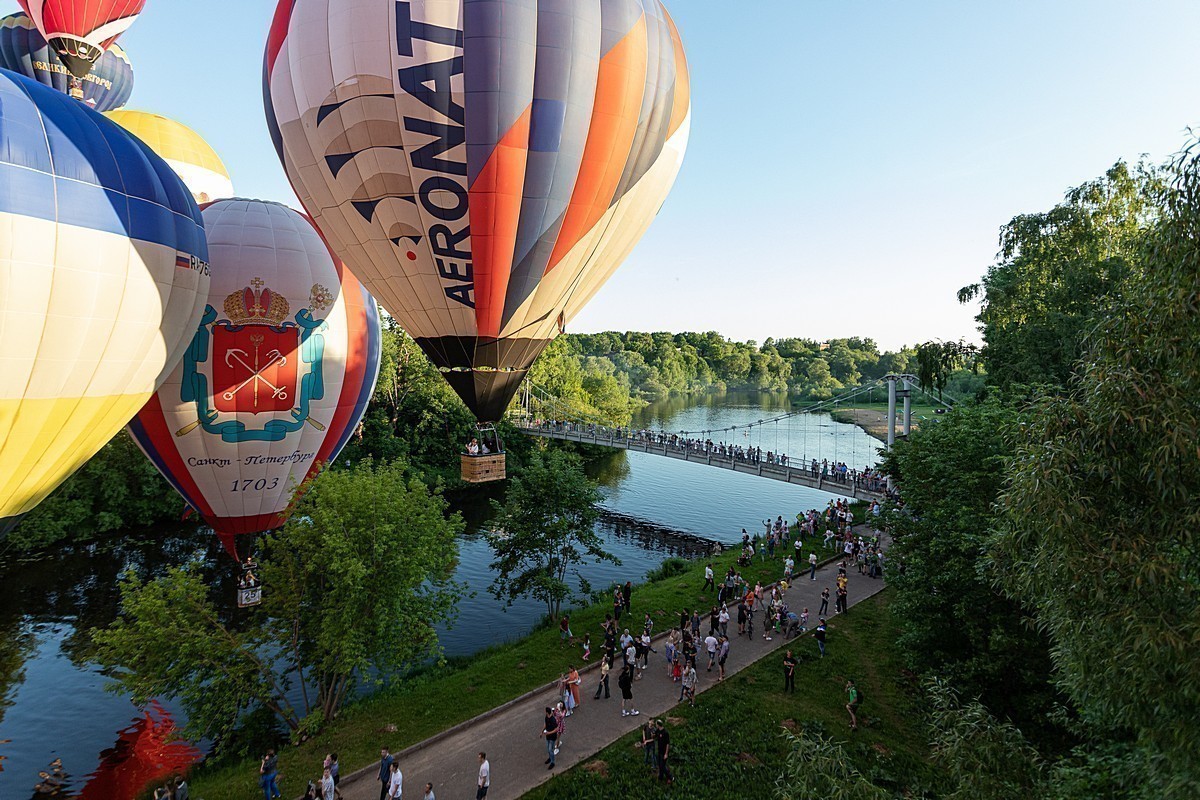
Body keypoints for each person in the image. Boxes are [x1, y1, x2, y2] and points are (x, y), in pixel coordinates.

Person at [655, 718, 673, 783]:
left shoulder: (665, 733)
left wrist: (666, 753)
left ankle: (670, 777)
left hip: (664, 752)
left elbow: (667, 744)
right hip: (659, 751)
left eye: (656, 724)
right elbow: (654, 735)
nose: (655, 725)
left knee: (663, 766)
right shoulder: (658, 731)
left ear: (658, 725)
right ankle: (661, 777)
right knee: (660, 765)